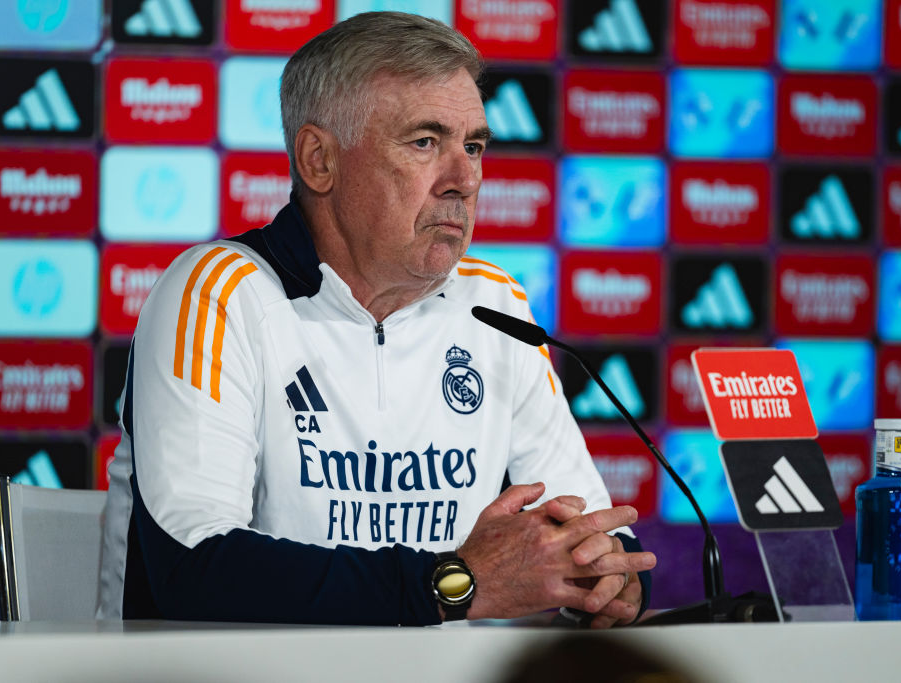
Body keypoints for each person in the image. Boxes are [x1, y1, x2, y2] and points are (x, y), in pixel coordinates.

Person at [97, 11, 656, 626]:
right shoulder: (219, 295)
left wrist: (609, 580)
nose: (465, 179)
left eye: (473, 146)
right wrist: (454, 584)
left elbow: (589, 532)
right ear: (319, 160)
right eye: (425, 142)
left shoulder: (494, 305)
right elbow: (194, 569)